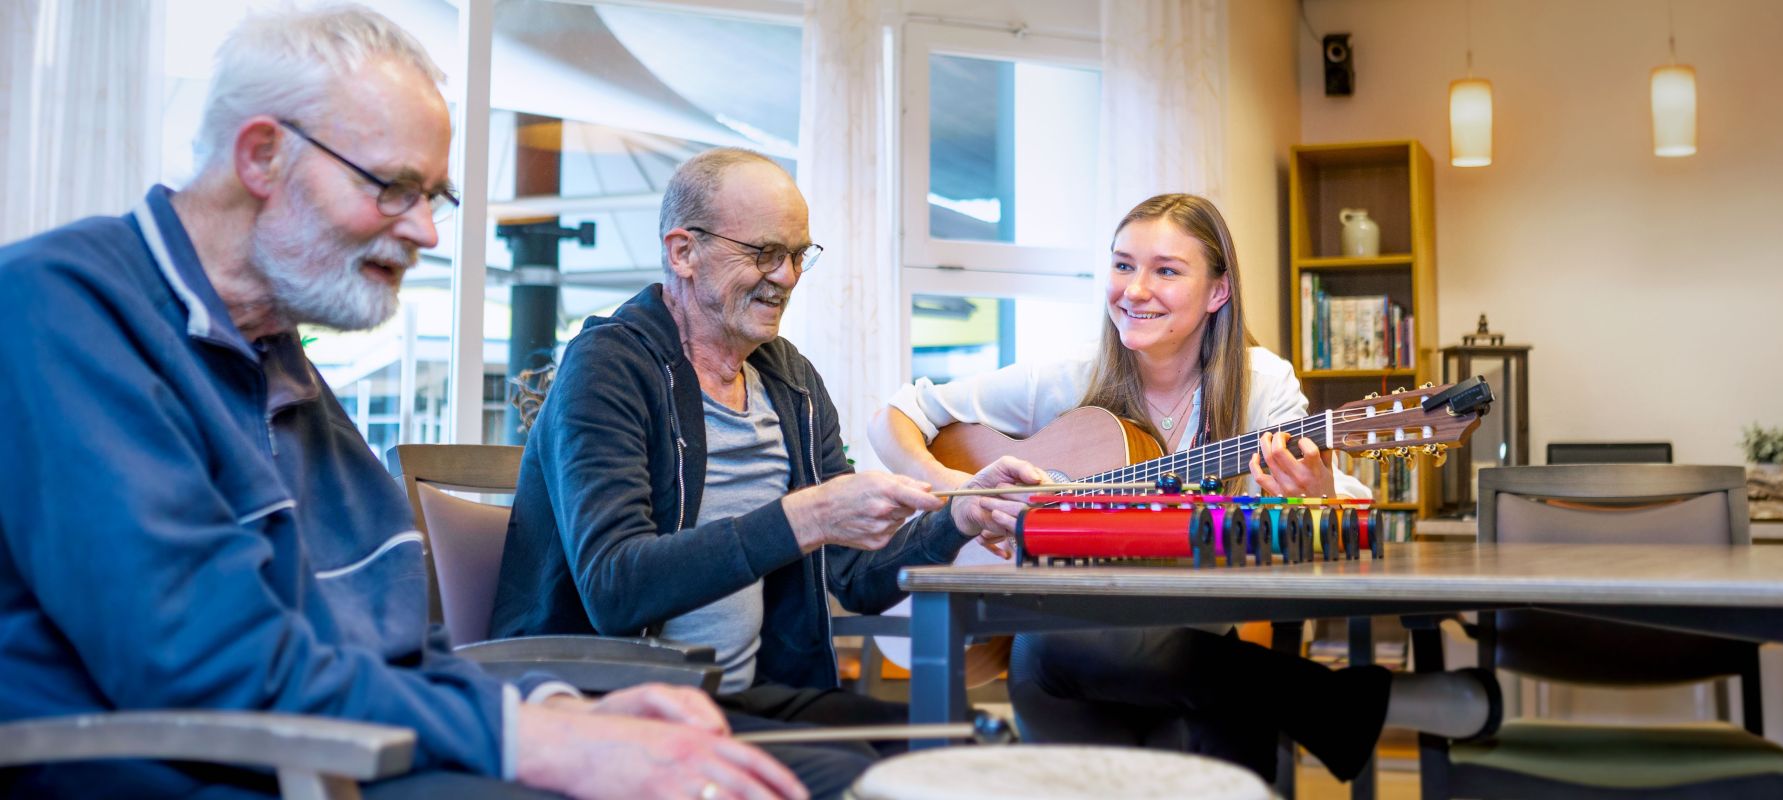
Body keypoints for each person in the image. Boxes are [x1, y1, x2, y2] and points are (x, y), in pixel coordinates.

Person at [0, 6, 806, 799]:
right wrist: (533, 734)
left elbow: (395, 649)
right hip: (227, 769)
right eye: (394, 188)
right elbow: (201, 656)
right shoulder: (58, 309)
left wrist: (546, 702)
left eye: (434, 197)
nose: (424, 230)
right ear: (262, 156)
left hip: (350, 753)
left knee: (798, 775)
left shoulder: (272, 358)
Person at [868, 193, 1499, 784]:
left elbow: (1349, 511)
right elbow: (895, 415)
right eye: (1122, 265)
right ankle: (1346, 701)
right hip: (1059, 652)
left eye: (1166, 271)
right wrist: (960, 489)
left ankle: (1335, 702)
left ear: (1218, 291)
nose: (1135, 289)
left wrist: (1316, 491)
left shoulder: (1258, 386)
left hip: (1197, 650)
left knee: (1210, 714)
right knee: (1049, 649)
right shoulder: (1069, 379)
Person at [489, 147, 1040, 789]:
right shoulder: (608, 369)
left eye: (800, 254)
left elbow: (858, 579)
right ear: (683, 251)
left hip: (746, 693)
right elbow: (616, 590)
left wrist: (959, 515)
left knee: (959, 754)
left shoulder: (791, 381)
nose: (786, 276)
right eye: (763, 253)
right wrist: (802, 518)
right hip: (615, 699)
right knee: (854, 775)